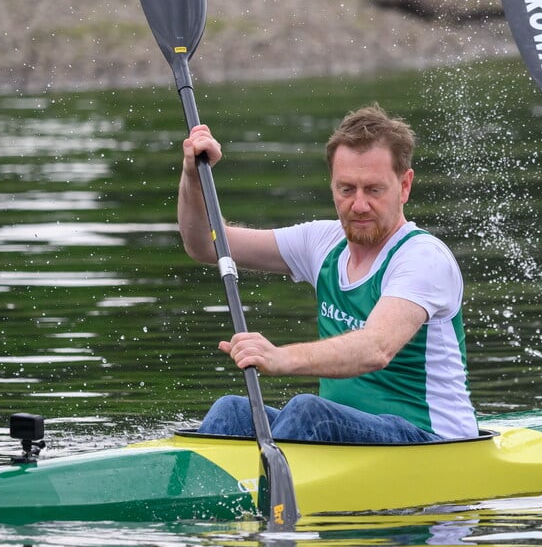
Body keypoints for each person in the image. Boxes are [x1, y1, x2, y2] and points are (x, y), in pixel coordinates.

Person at [179, 104, 478, 442]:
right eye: (346, 189)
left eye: (374, 190)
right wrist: (193, 175)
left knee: (308, 412)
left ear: (405, 186)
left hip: (431, 440)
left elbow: (376, 348)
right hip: (344, 438)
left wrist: (280, 357)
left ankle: (264, 489)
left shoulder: (423, 258)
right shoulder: (322, 241)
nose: (359, 204)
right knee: (231, 411)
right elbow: (206, 244)